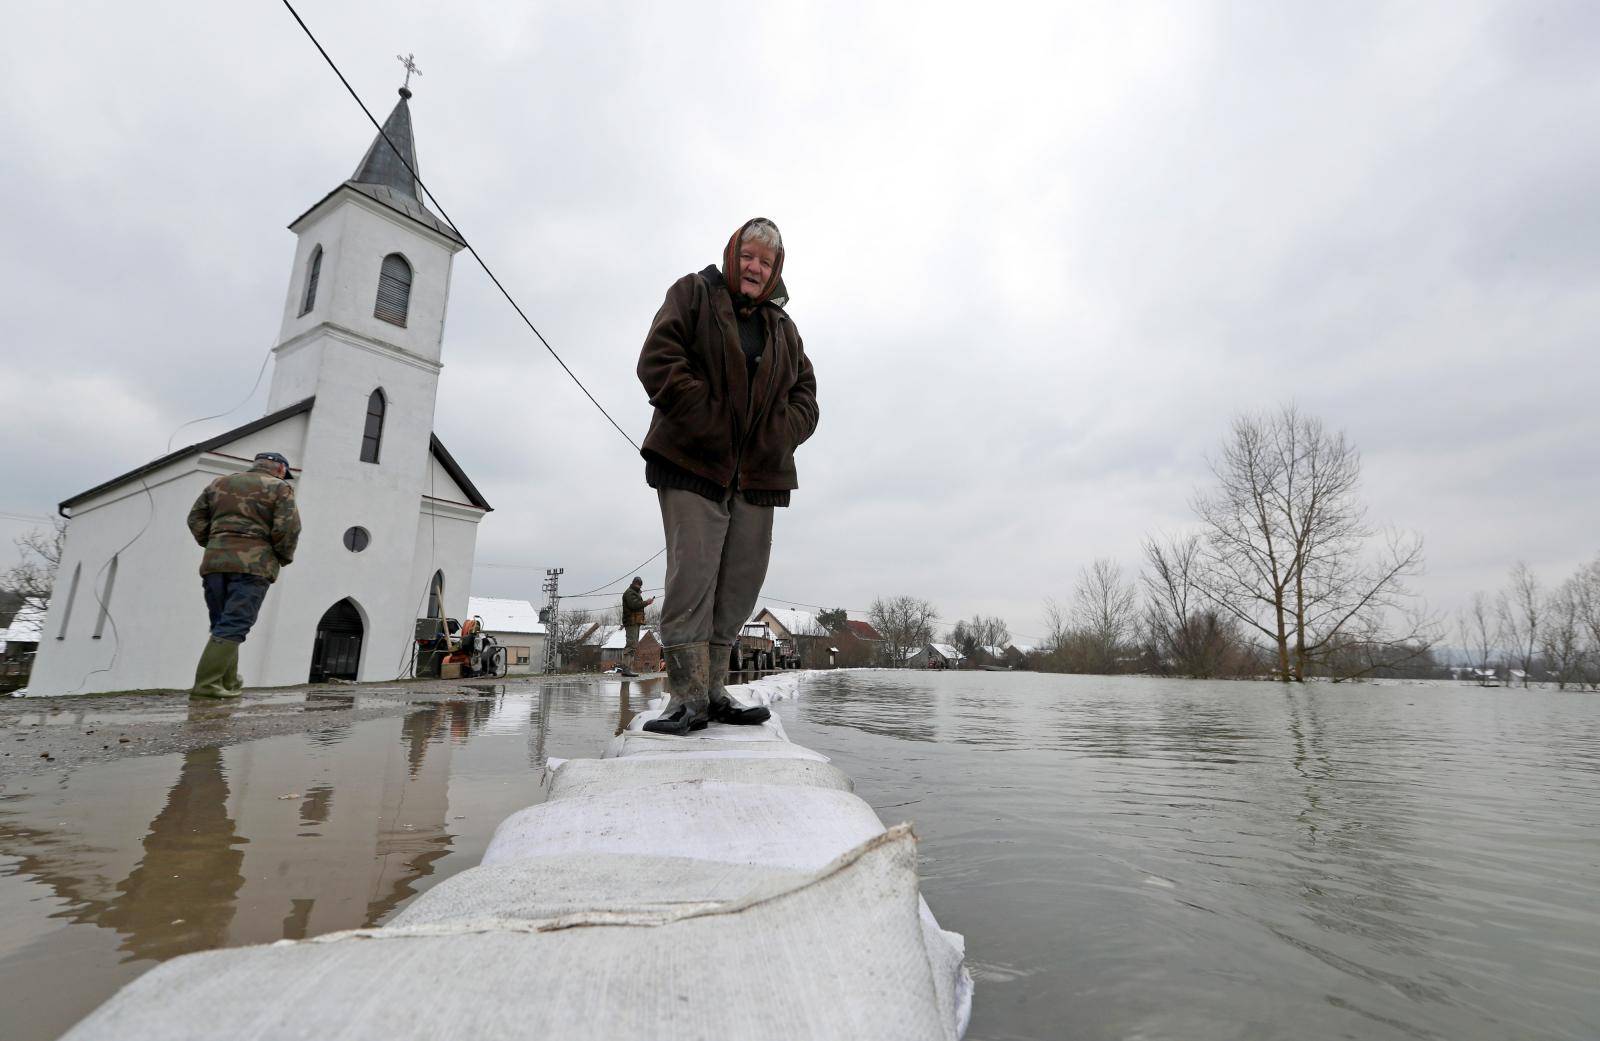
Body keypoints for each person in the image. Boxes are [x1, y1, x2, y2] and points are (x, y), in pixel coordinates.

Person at [635, 217, 819, 734]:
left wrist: (781, 431)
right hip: (694, 462)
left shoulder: (784, 330)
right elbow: (658, 359)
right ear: (733, 253)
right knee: (692, 577)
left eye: (765, 261)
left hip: (759, 475)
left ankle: (714, 693)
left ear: (775, 269)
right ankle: (685, 697)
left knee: (739, 584)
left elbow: (806, 395)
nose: (755, 267)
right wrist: (709, 419)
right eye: (748, 256)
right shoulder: (693, 294)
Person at [185, 451, 301, 698]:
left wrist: (215, 541)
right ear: (280, 469)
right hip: (253, 565)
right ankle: (207, 685)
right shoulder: (279, 488)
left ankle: (228, 682)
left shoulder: (219, 483)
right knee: (235, 622)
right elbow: (287, 528)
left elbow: (195, 518)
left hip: (215, 562)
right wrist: (280, 556)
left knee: (222, 622)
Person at [618, 577, 655, 677]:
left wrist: (646, 603)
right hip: (631, 622)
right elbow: (634, 605)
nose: (639, 586)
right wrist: (646, 602)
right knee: (630, 645)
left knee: (633, 645)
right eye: (638, 585)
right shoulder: (630, 593)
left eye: (639, 585)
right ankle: (626, 669)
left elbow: (636, 605)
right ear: (634, 583)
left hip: (635, 622)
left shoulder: (635, 593)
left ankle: (628, 669)